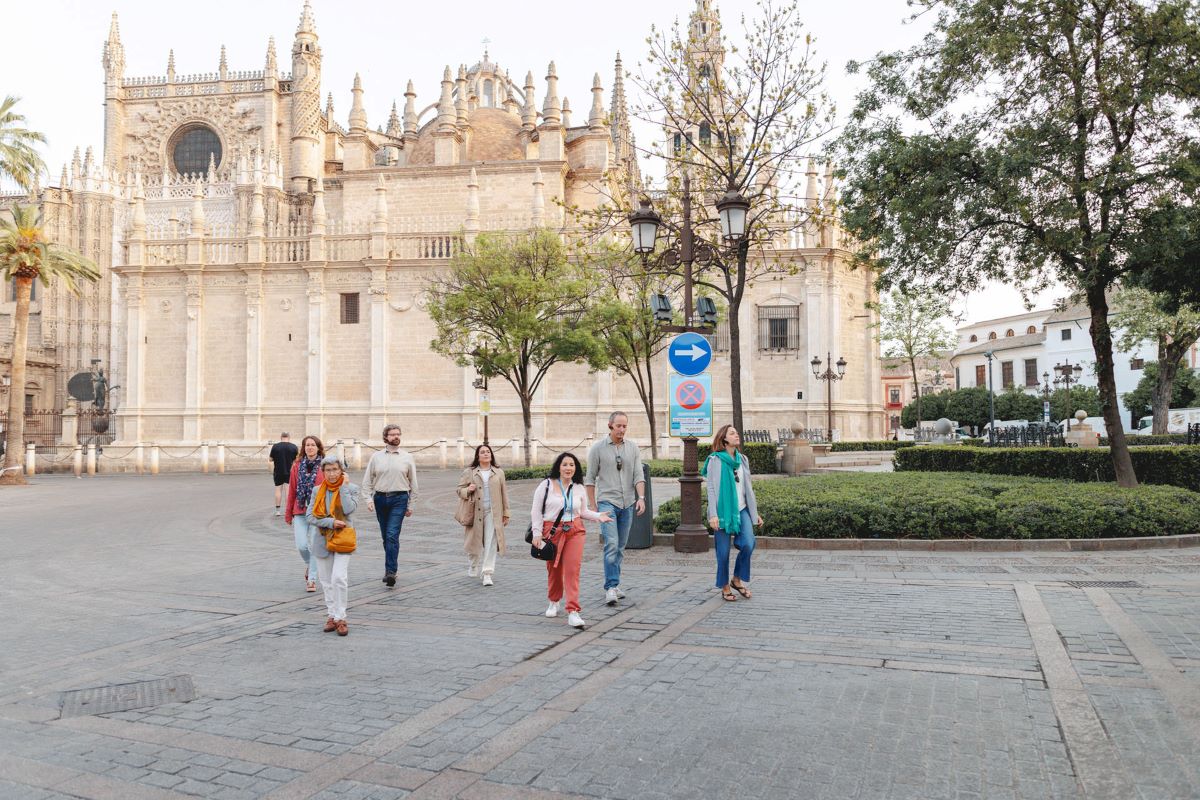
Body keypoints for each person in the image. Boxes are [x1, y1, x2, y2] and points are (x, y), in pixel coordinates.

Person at [532, 452, 612, 629]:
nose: (568, 468)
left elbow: (582, 512)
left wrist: (599, 516)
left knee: (572, 569)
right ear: (558, 467)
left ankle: (573, 611)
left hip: (575, 530)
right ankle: (554, 601)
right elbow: (536, 511)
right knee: (553, 568)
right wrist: (537, 534)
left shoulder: (578, 488)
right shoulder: (545, 485)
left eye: (572, 465)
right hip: (552, 530)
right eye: (565, 464)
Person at [585, 411, 646, 606]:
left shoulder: (633, 448)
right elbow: (590, 478)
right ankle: (610, 587)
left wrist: (641, 498)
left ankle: (615, 583)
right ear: (610, 426)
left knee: (620, 547)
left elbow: (638, 475)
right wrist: (593, 507)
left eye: (625, 426)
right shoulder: (598, 449)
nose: (622, 429)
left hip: (627, 502)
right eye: (618, 426)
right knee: (611, 543)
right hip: (607, 502)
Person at [702, 425, 763, 602]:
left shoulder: (743, 459)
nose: (737, 435)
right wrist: (712, 515)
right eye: (732, 433)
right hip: (722, 512)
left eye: (736, 433)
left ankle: (737, 579)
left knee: (748, 543)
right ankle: (725, 586)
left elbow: (748, 489)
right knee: (722, 553)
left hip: (742, 508)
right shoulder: (715, 460)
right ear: (724, 439)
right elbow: (711, 488)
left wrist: (754, 513)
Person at [306, 455, 359, 636]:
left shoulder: (351, 488)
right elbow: (310, 516)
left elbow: (348, 510)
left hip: (343, 539)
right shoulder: (316, 491)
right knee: (327, 582)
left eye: (335, 469)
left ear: (341, 471)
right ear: (323, 472)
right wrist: (330, 522)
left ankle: (341, 617)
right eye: (327, 470)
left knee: (339, 578)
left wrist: (343, 487)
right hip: (322, 540)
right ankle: (332, 615)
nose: (331, 474)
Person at [361, 424, 417, 588]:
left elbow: (414, 482)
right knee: (386, 537)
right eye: (392, 434)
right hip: (380, 499)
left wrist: (411, 504)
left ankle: (390, 572)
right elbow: (367, 481)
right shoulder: (376, 457)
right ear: (386, 437)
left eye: (398, 434)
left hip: (399, 499)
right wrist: (368, 500)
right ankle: (391, 566)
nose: (396, 437)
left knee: (392, 534)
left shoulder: (407, 457)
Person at [456, 443, 511, 586]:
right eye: (483, 452)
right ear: (478, 456)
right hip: (475, 512)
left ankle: (487, 573)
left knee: (491, 541)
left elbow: (504, 493)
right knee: (473, 542)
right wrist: (468, 489)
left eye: (488, 452)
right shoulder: (470, 472)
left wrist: (506, 512)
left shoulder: (499, 472)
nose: (486, 454)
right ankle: (473, 564)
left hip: (493, 512)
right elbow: (459, 490)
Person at [284, 435, 324, 593]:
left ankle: (312, 579)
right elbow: (292, 490)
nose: (310, 447)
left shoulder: (324, 465)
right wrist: (288, 513)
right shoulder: (297, 465)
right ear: (303, 448)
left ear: (318, 447)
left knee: (314, 546)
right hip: (300, 510)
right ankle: (311, 564)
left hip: (317, 513)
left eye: (313, 445)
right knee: (301, 545)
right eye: (307, 445)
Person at [269, 433, 299, 515]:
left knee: (278, 490)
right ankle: (287, 510)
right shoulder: (293, 446)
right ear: (289, 437)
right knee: (288, 490)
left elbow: (270, 459)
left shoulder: (275, 446)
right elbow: (297, 460)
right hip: (289, 471)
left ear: (281, 437)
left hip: (278, 471)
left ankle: (278, 510)